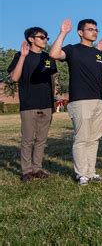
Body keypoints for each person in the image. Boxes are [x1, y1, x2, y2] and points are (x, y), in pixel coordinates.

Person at [49, 19, 102, 186]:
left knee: (94, 138)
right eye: (90, 29)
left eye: (96, 29)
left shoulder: (99, 54)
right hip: (80, 100)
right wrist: (63, 33)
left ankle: (91, 172)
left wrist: (98, 51)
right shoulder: (73, 49)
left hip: (98, 100)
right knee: (82, 138)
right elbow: (53, 54)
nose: (94, 32)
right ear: (80, 32)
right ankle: (81, 174)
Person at [8, 27, 57, 182]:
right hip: (29, 104)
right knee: (28, 139)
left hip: (46, 103)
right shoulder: (20, 55)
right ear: (31, 39)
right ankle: (26, 171)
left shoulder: (49, 58)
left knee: (41, 139)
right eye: (42, 37)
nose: (45, 40)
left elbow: (53, 79)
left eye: (46, 38)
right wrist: (23, 57)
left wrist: (52, 99)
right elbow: (14, 78)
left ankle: (37, 168)